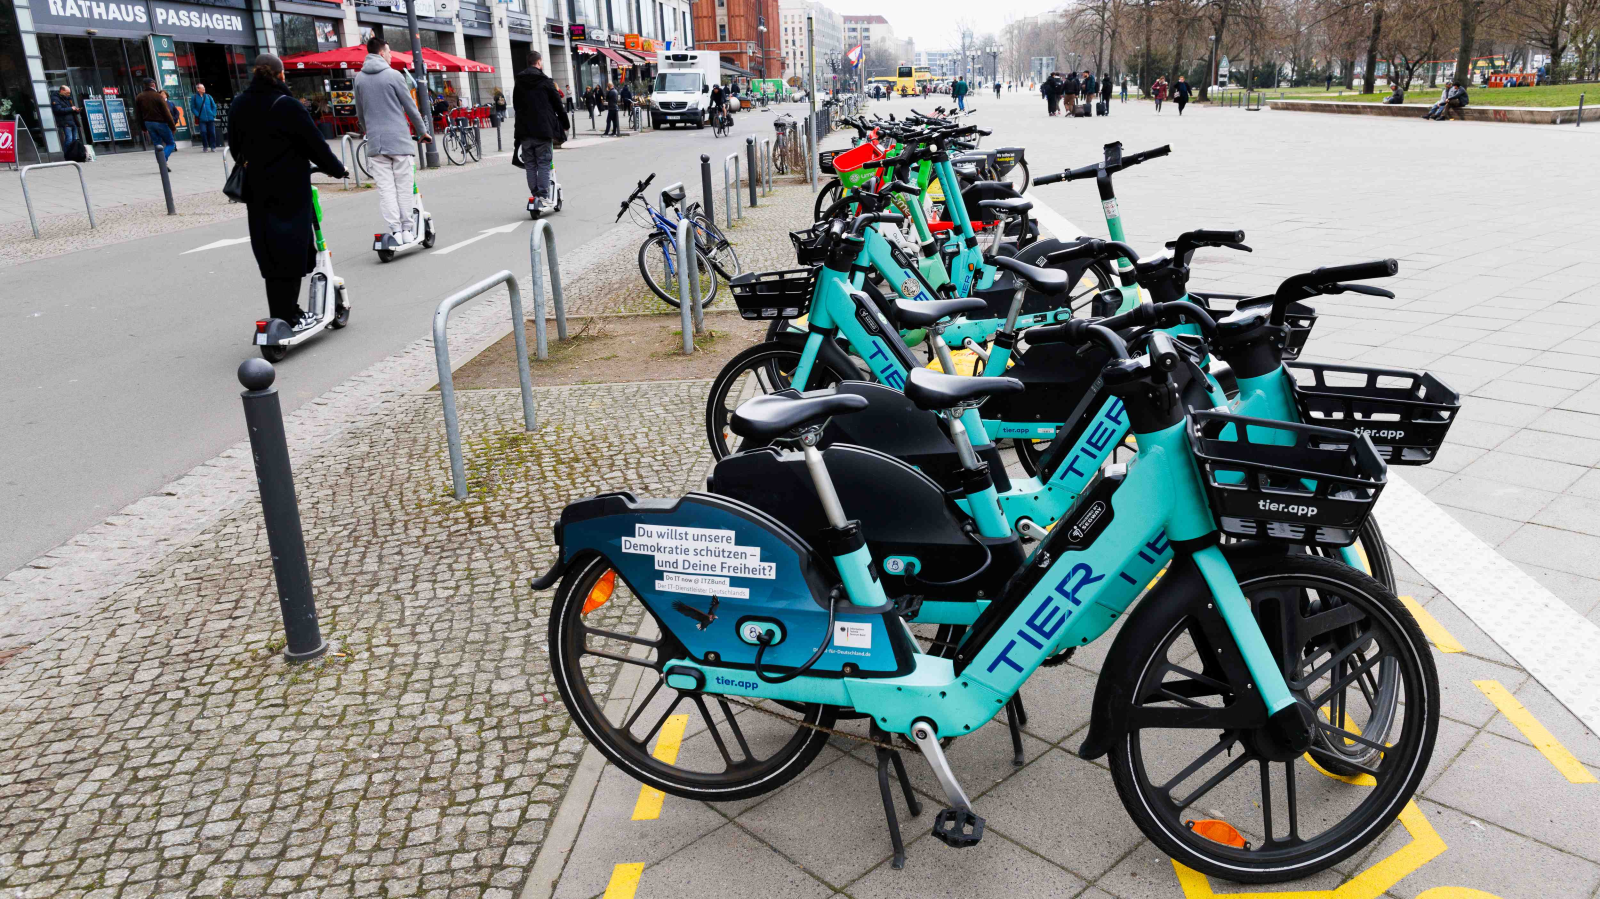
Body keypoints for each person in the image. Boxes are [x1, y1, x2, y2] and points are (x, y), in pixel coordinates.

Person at [228, 53, 348, 332]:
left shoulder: (239, 104)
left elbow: (235, 147)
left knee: (270, 251)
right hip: (289, 189)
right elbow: (315, 145)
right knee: (292, 251)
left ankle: (283, 311)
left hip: (256, 189)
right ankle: (289, 316)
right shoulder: (288, 105)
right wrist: (337, 169)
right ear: (281, 75)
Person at [354, 36, 431, 246]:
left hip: (375, 144)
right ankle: (407, 229)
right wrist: (423, 132)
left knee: (386, 190)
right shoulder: (393, 75)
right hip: (398, 141)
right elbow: (410, 107)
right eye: (389, 52)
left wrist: (366, 130)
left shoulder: (359, 78)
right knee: (404, 187)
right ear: (381, 53)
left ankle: (395, 231)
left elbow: (360, 113)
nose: (390, 55)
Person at [512, 50, 570, 212]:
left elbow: (516, 105)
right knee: (544, 162)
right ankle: (543, 196)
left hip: (524, 131)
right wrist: (565, 123)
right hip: (543, 130)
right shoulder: (545, 82)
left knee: (530, 164)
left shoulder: (519, 82)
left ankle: (535, 195)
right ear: (538, 63)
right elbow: (558, 105)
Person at [134, 79, 177, 167]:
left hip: (148, 123)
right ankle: (163, 161)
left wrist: (143, 127)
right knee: (171, 143)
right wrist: (173, 127)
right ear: (153, 85)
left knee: (157, 145)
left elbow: (138, 114)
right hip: (161, 123)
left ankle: (162, 163)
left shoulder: (139, 97)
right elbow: (166, 112)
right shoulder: (158, 96)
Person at [189, 83, 219, 151]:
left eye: (204, 87)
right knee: (203, 132)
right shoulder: (194, 97)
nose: (204, 89)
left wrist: (213, 114)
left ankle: (213, 147)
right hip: (201, 119)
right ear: (198, 89)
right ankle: (205, 146)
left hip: (210, 118)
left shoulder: (208, 96)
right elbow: (193, 108)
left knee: (212, 132)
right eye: (202, 88)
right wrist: (198, 115)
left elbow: (214, 106)